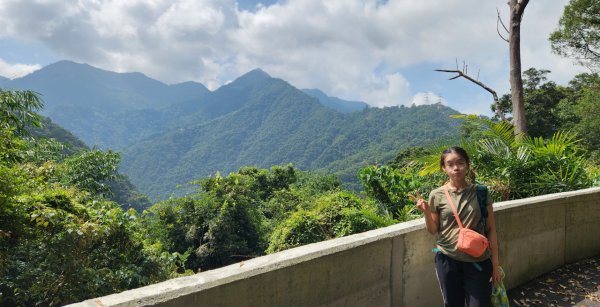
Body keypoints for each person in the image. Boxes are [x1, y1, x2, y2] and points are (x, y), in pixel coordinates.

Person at [416, 146, 500, 307]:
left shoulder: (480, 192)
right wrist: (426, 211)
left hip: (479, 260)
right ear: (444, 168)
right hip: (447, 260)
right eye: (450, 164)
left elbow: (491, 229)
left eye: (460, 162)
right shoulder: (436, 194)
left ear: (467, 164)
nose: (456, 168)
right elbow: (433, 230)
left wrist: (495, 265)